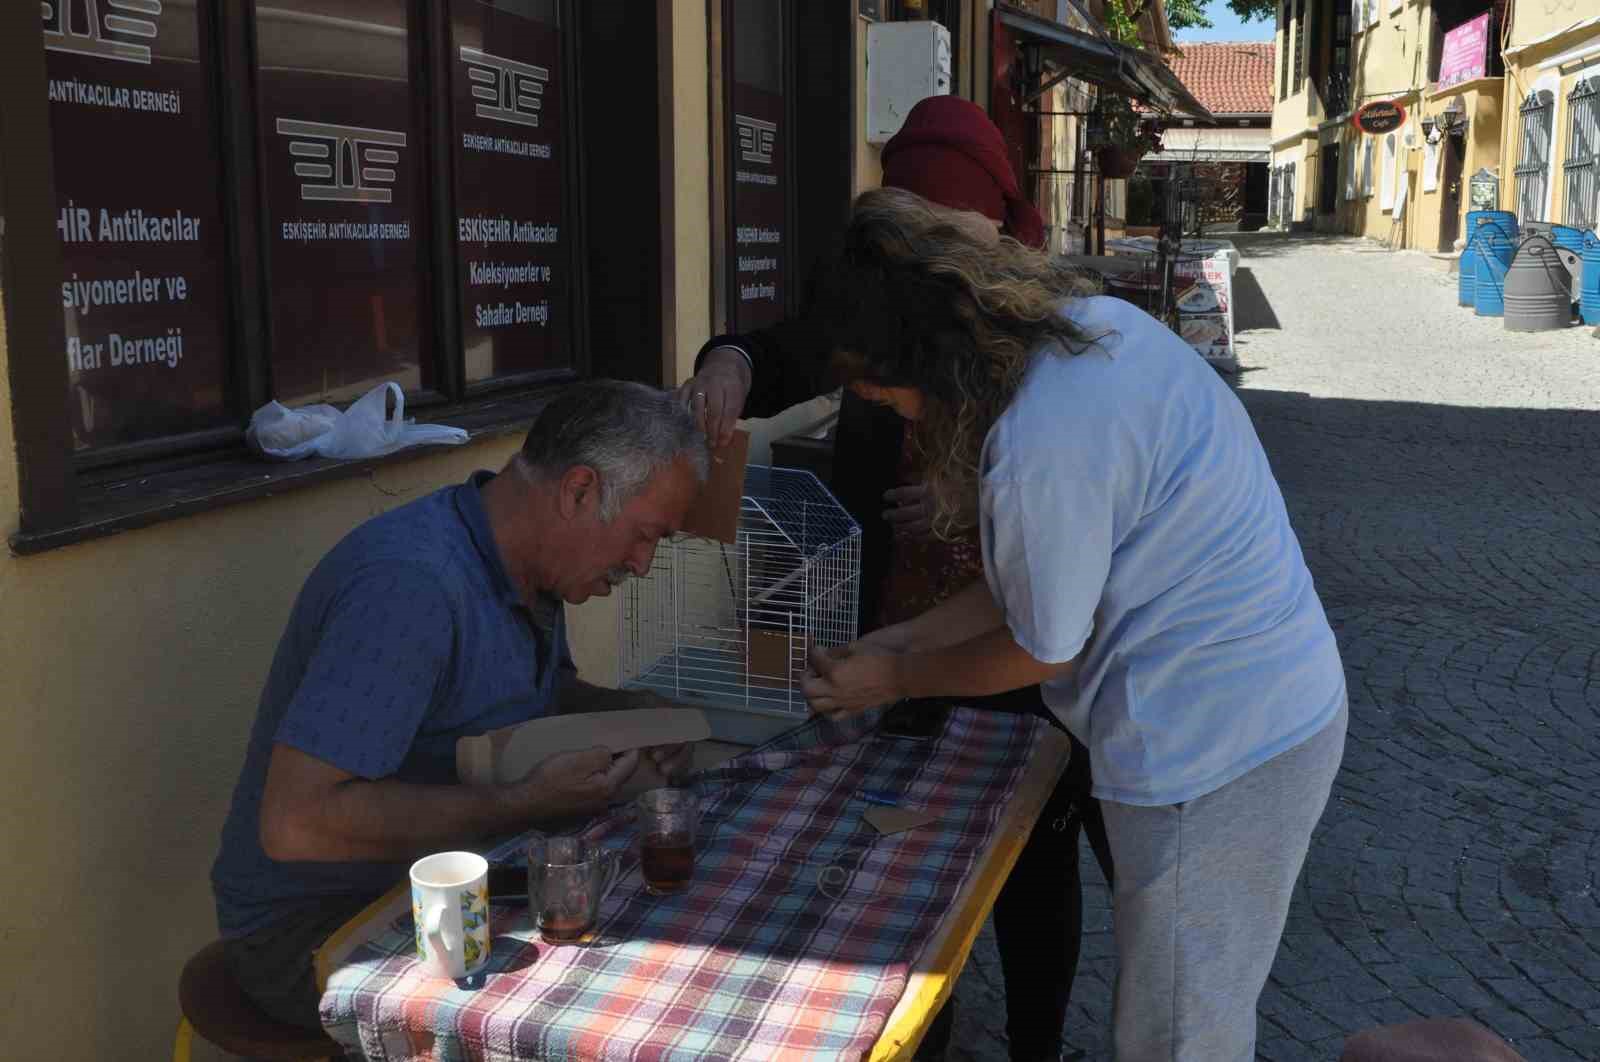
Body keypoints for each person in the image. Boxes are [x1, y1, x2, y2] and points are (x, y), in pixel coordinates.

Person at [801, 188, 1348, 1062]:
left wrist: (895, 677)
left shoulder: (1038, 442)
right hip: (1267, 708)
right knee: (1181, 1013)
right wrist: (899, 642)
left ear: (929, 363)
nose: (899, 417)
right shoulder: (1095, 330)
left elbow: (1038, 645)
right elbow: (1050, 577)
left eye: (887, 394)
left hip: (1217, 749)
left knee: (1178, 1034)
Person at [679, 95, 1110, 1062]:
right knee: (903, 854)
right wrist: (729, 369)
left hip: (1025, 646)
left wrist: (973, 508)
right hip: (903, 629)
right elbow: (781, 347)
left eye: (946, 226)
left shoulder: (1033, 329)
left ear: (992, 226)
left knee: (1036, 863)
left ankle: (1036, 1044)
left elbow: (1062, 519)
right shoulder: (880, 307)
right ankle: (917, 1030)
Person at [210, 380, 708, 1031]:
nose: (642, 565)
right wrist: (520, 804)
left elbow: (536, 696)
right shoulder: (410, 587)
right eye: (645, 536)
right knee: (577, 1021)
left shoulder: (529, 563)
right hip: (314, 928)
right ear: (579, 491)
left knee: (659, 954)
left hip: (451, 879)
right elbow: (296, 823)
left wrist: (636, 712)